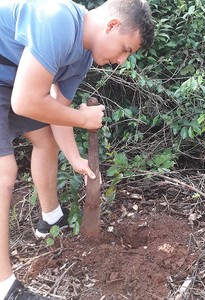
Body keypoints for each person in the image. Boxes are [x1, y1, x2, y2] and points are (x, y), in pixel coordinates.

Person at [0, 0, 155, 299]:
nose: (122, 61)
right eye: (125, 49)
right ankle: (4, 286)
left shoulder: (82, 58)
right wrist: (84, 119)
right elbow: (26, 102)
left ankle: (51, 217)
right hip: (13, 86)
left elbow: (56, 111)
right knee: (4, 172)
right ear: (111, 26)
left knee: (45, 138)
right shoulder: (58, 19)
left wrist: (75, 159)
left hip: (10, 81)